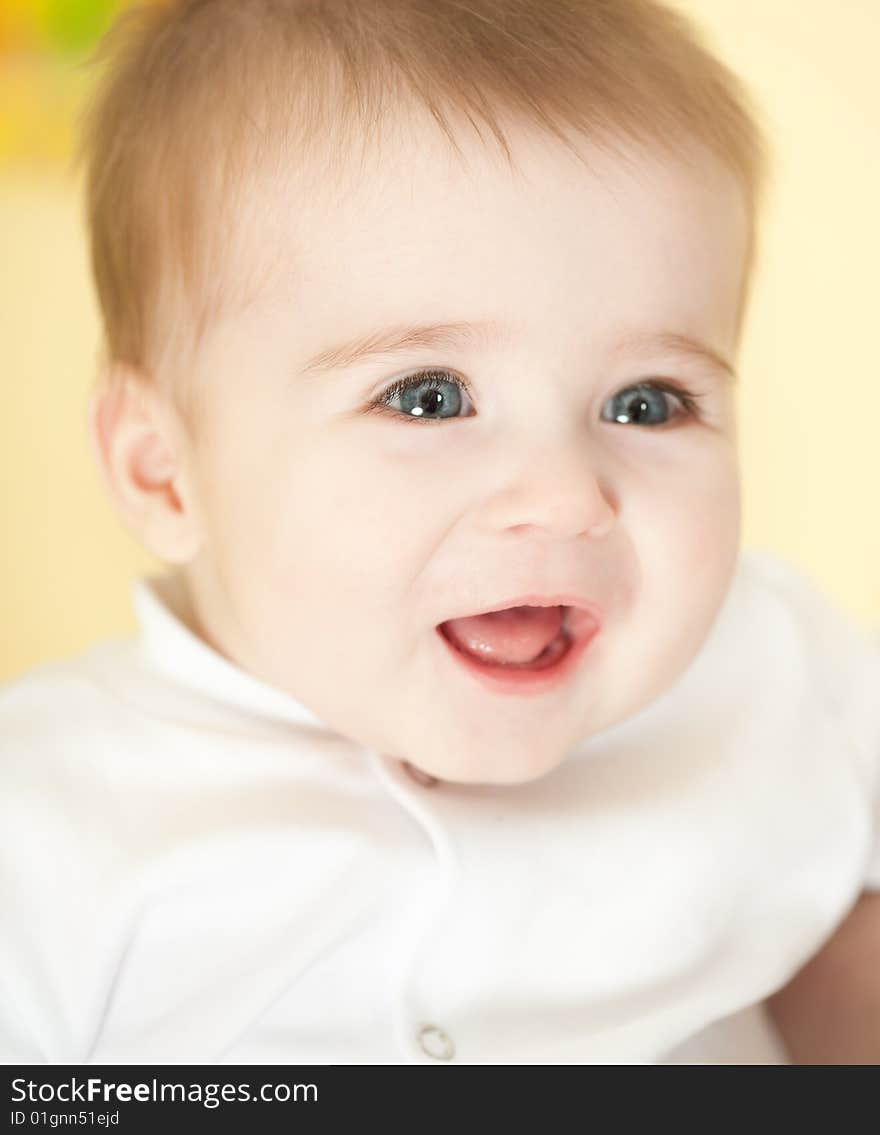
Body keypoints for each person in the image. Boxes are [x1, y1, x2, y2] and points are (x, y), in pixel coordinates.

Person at [2, 0, 878, 1065]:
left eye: (647, 403)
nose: (564, 497)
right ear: (164, 471)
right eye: (426, 397)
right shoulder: (43, 819)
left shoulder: (781, 673)